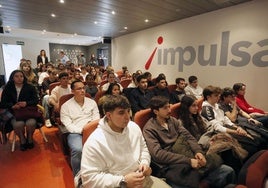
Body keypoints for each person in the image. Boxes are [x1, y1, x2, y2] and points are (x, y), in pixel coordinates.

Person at [143, 96, 236, 188]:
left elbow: (189, 137)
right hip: (173, 164)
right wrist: (188, 161)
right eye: (165, 108)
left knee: (228, 170)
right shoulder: (149, 129)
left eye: (169, 107)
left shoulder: (172, 120)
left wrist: (198, 152)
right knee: (192, 180)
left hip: (186, 153)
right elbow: (158, 154)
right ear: (156, 111)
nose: (169, 110)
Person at [81, 95, 170, 188]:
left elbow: (143, 148)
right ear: (109, 115)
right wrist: (122, 180)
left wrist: (144, 163)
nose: (127, 117)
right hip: (116, 185)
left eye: (128, 111)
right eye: (121, 113)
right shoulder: (95, 142)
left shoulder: (133, 127)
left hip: (140, 178)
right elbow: (89, 179)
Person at [60, 80, 100, 176]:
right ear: (72, 91)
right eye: (79, 89)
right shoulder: (66, 106)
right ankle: (78, 176)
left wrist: (89, 128)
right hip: (75, 133)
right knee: (78, 150)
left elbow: (96, 117)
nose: (82, 90)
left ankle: (99, 171)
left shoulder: (92, 102)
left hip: (92, 130)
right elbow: (68, 124)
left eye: (83, 88)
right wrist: (82, 130)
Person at [0, 70, 39, 151]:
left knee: (31, 123)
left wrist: (26, 103)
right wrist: (12, 106)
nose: (19, 78)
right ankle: (22, 139)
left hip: (28, 111)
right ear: (12, 78)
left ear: (24, 77)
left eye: (21, 76)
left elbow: (36, 100)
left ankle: (29, 138)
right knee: (18, 124)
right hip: (14, 112)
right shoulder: (7, 88)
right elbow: (3, 103)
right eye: (16, 76)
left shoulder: (30, 87)